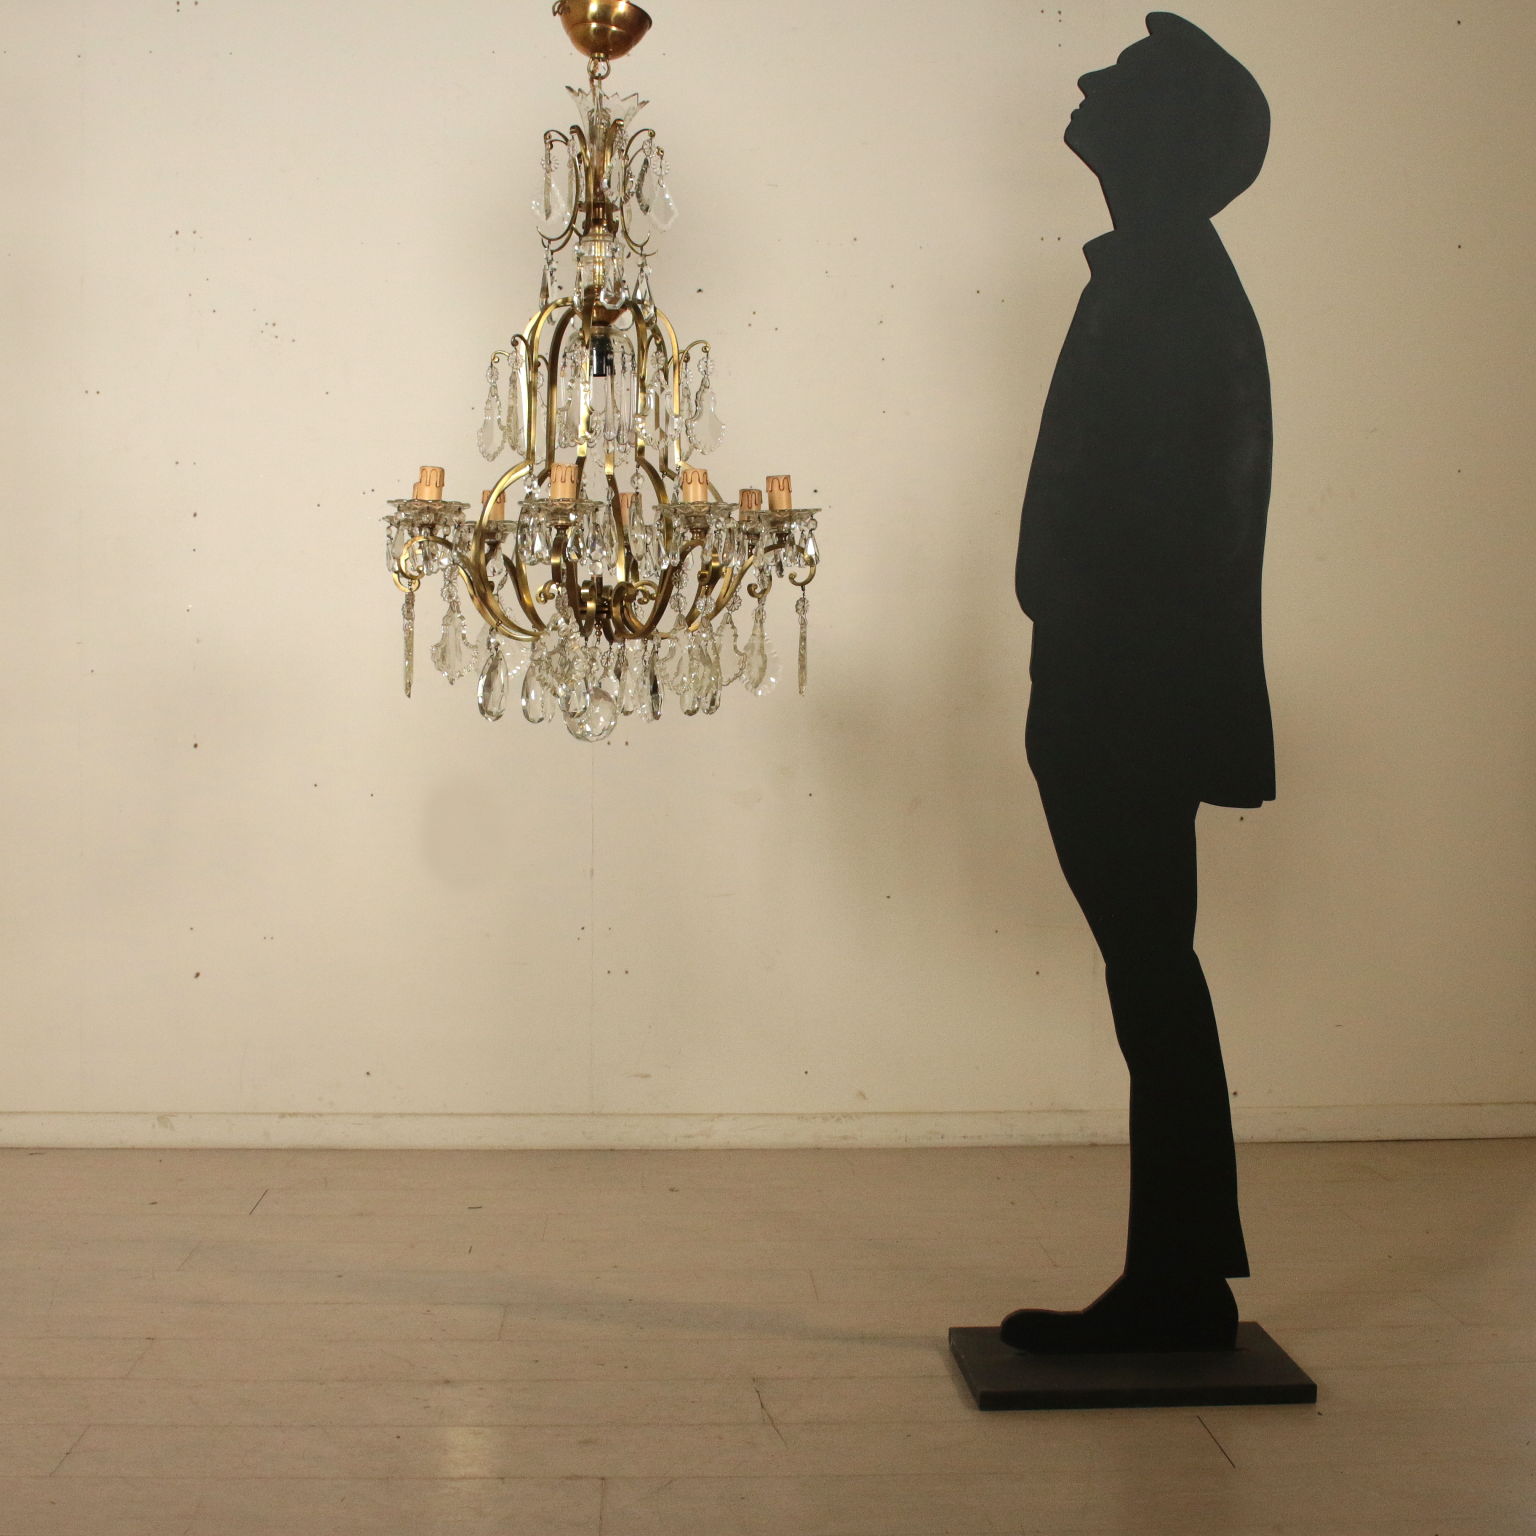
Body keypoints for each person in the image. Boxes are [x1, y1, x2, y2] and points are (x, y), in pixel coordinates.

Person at [1003, 11, 1274, 1353]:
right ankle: (1182, 1274)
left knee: (1153, 972)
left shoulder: (1170, 284)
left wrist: (1083, 635)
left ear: (1163, 134)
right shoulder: (1162, 274)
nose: (1087, 81)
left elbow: (1183, 517)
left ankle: (1178, 1283)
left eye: (1121, 79)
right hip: (1115, 682)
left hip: (1127, 693)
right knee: (1152, 971)